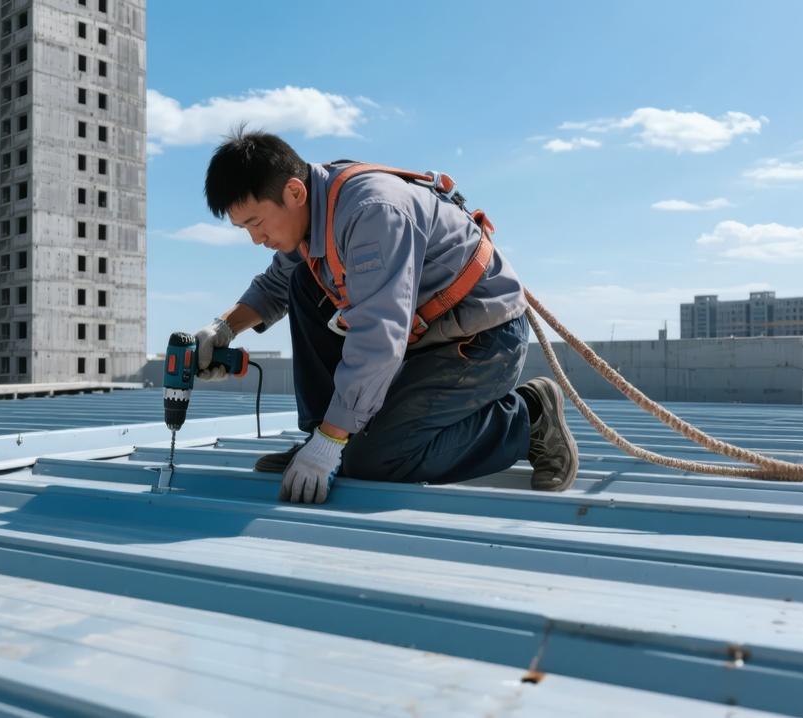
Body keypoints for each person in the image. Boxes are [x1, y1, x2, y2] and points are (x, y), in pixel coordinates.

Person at [191, 129, 578, 504]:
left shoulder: (371, 212)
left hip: (482, 340)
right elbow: (276, 284)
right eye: (244, 229)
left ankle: (528, 416)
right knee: (303, 285)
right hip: (421, 337)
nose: (255, 239)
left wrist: (333, 442)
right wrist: (222, 328)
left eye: (256, 224)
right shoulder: (311, 212)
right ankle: (324, 433)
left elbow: (379, 337)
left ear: (294, 191)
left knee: (375, 461)